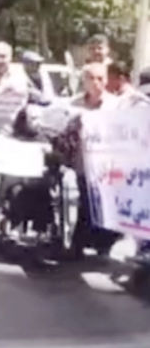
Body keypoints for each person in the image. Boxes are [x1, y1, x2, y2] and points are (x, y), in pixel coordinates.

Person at [55, 63, 119, 257]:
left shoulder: (115, 105)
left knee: (105, 205)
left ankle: (102, 243)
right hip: (82, 162)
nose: (96, 83)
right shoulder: (74, 104)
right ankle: (78, 245)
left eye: (100, 78)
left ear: (106, 81)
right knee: (84, 202)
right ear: (84, 81)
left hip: (107, 164)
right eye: (91, 78)